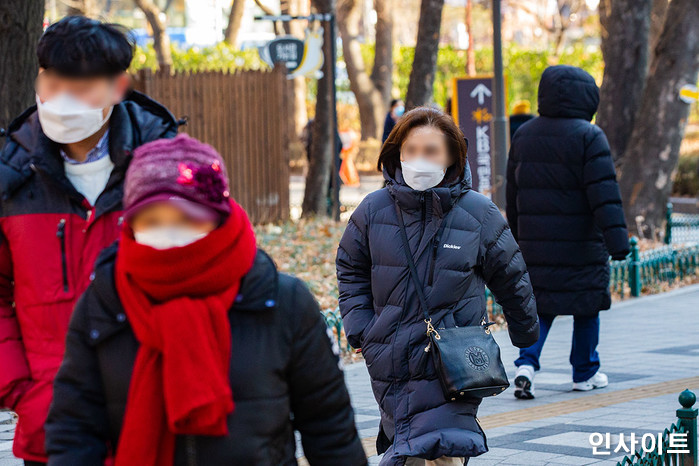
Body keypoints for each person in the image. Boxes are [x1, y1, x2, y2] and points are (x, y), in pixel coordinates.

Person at [45, 134, 366, 466]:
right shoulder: (105, 303)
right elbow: (74, 433)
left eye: (188, 217)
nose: (170, 233)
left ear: (217, 216)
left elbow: (330, 431)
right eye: (152, 220)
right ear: (131, 223)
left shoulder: (283, 302)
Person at [0, 16, 178, 465]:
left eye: (80, 87)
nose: (62, 99)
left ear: (118, 86)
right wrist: (22, 390)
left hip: (157, 422)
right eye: (52, 82)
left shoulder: (166, 169)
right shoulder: (11, 178)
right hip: (52, 424)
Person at [336, 107, 540, 466]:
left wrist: (525, 330)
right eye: (411, 150)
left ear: (451, 155)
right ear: (396, 153)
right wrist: (361, 329)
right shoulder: (372, 210)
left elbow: (511, 276)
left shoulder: (479, 213)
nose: (419, 159)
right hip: (390, 357)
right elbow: (351, 270)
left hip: (453, 360)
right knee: (409, 446)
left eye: (431, 151)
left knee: (443, 449)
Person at [506, 65, 630, 400]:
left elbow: (512, 194)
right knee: (586, 307)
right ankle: (584, 372)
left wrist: (516, 239)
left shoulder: (524, 135)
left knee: (541, 307)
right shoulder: (590, 136)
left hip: (536, 245)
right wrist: (618, 243)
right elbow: (604, 195)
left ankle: (526, 365)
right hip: (581, 244)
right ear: (588, 97)